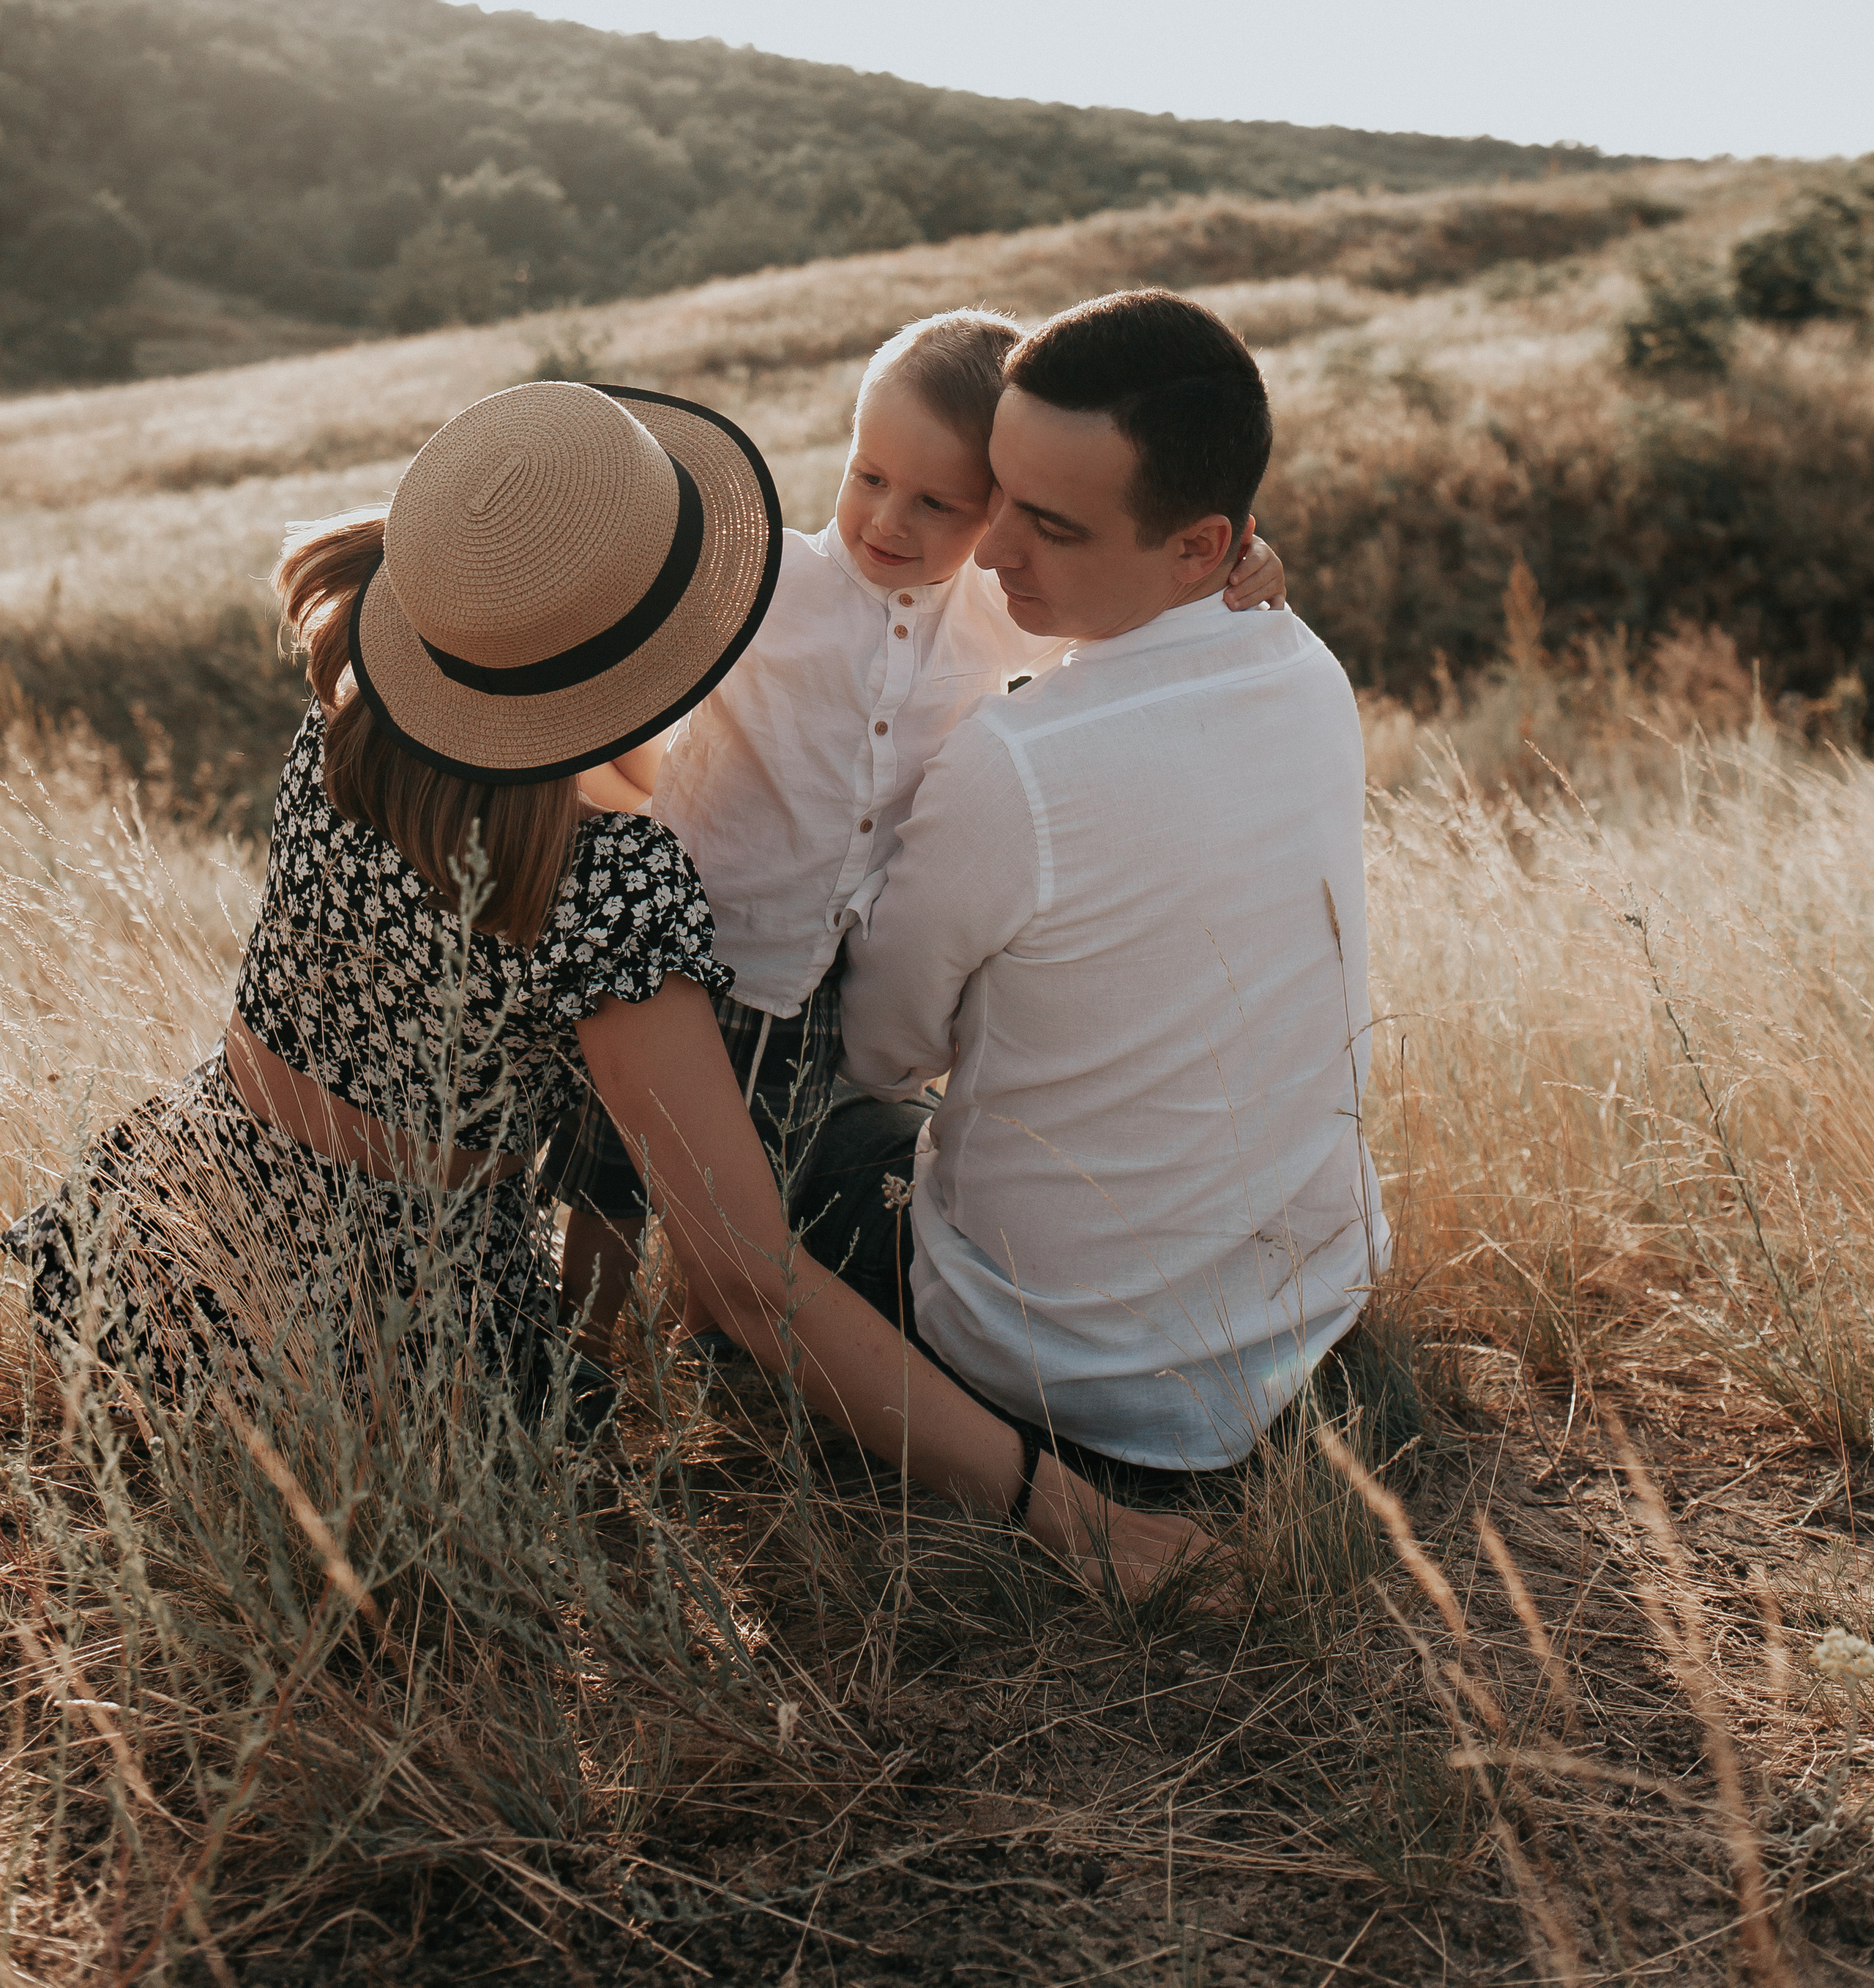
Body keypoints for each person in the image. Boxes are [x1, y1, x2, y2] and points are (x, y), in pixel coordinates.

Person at [5, 378, 1213, 1593]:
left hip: (169, 1222)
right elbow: (746, 1279)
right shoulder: (610, 890)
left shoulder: (351, 724)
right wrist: (1051, 1503)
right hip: (396, 1333)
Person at [545, 312, 1286, 1353]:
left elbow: (1141, 589)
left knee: (755, 1192)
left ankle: (711, 1359)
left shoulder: (993, 614)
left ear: (1001, 515)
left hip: (805, 985)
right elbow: (633, 631)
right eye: (868, 477)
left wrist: (1246, 567)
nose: (888, 519)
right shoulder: (771, 583)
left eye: (939, 503)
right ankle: (584, 1345)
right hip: (678, 941)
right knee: (614, 1170)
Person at [825, 289, 1411, 1494]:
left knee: (789, 1121)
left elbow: (880, 1050)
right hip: (1302, 1315)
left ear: (1202, 544)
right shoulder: (1309, 673)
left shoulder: (1019, 760)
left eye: (1051, 527)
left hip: (1054, 1369)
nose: (989, 550)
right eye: (994, 496)